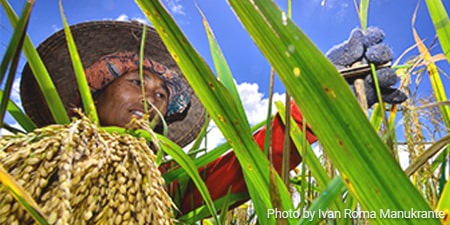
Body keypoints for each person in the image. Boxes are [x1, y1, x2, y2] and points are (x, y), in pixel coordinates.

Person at [20, 21, 406, 219]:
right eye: (139, 82)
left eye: (162, 97)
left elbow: (246, 164)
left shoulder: (162, 185)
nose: (152, 101)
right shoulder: (26, 163)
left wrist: (321, 102)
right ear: (94, 91)